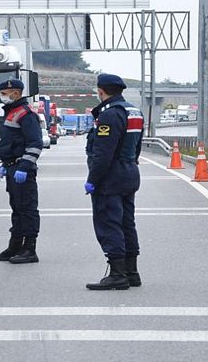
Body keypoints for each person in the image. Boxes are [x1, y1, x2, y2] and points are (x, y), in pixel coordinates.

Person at [84, 74, 143, 290]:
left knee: (109, 224)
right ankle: (131, 272)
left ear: (101, 91)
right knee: (127, 223)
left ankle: (117, 274)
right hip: (130, 171)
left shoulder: (109, 115)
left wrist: (92, 179)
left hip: (111, 176)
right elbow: (137, 146)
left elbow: (103, 154)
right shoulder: (134, 112)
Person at [0, 79, 43, 264]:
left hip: (23, 169)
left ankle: (30, 248)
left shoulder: (26, 115)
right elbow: (12, 142)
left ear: (16, 93)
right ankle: (15, 246)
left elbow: (35, 144)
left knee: (27, 210)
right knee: (17, 209)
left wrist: (23, 167)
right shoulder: (12, 112)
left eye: (5, 93)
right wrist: (5, 165)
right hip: (13, 167)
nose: (2, 96)